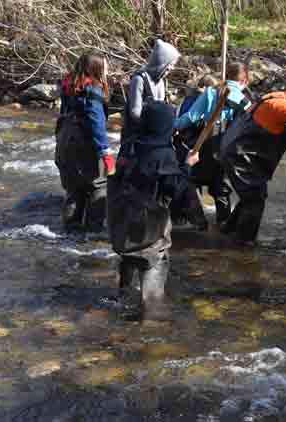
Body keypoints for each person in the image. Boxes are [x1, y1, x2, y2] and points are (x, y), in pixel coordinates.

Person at [107, 101, 201, 321]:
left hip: (123, 225)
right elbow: (176, 189)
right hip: (150, 229)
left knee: (129, 260)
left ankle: (122, 302)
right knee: (153, 266)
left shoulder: (130, 144)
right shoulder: (163, 155)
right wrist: (188, 165)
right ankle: (151, 326)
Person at [219, 90, 286, 244]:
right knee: (254, 200)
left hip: (244, 158)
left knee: (251, 197)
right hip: (241, 158)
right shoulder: (276, 104)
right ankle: (243, 243)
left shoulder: (276, 98)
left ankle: (228, 230)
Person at [173, 62, 253, 225]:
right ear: (244, 80)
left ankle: (196, 222)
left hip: (205, 146)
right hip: (228, 152)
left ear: (227, 76)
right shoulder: (246, 102)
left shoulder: (210, 92)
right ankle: (222, 227)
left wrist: (172, 126)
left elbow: (191, 117)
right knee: (221, 190)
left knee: (190, 179)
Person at [55, 53, 113, 232]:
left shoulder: (69, 85)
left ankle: (69, 231)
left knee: (73, 188)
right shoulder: (92, 91)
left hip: (64, 141)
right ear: (95, 69)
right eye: (104, 67)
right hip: (83, 145)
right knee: (99, 185)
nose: (107, 70)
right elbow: (97, 125)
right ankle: (93, 233)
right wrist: (106, 155)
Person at [170, 75, 220, 231]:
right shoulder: (199, 100)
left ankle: (183, 218)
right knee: (192, 183)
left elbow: (181, 122)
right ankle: (200, 220)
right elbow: (187, 120)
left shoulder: (188, 100)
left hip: (187, 146)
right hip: (197, 147)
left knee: (188, 181)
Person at [121, 39, 180, 143]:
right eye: (170, 64)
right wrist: (156, 122)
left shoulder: (161, 81)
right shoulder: (139, 79)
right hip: (138, 137)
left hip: (156, 135)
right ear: (162, 61)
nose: (172, 68)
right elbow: (135, 112)